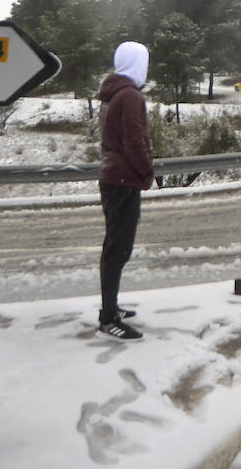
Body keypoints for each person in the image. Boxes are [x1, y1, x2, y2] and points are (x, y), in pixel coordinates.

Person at [95, 41, 154, 340]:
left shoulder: (113, 93)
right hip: (123, 179)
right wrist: (147, 172)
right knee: (119, 248)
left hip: (112, 177)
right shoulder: (129, 96)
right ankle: (108, 318)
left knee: (115, 247)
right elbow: (135, 140)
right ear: (135, 64)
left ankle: (111, 306)